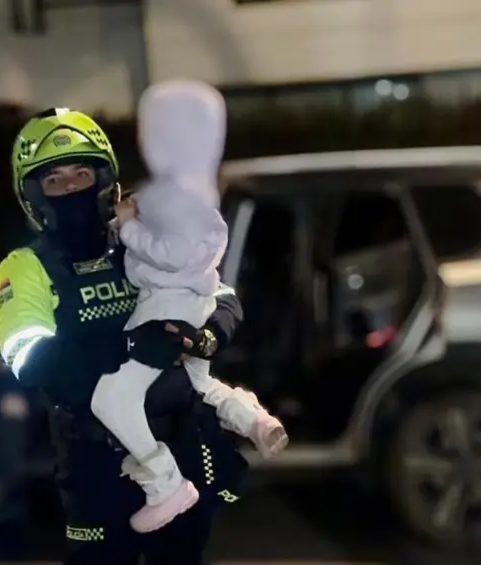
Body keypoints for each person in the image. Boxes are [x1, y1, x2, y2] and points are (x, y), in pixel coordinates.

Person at [0, 107, 248, 565]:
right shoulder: (22, 268)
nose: (71, 187)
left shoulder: (140, 237)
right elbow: (31, 361)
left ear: (106, 179)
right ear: (34, 195)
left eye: (82, 173)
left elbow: (220, 295)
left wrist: (206, 338)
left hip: (182, 444)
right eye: (55, 180)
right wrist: (129, 346)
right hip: (97, 460)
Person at [90, 80, 287, 533]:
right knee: (199, 383)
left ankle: (165, 485)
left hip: (166, 311)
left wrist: (128, 227)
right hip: (192, 303)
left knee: (112, 398)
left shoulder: (174, 197)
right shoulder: (198, 191)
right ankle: (253, 419)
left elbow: (172, 255)